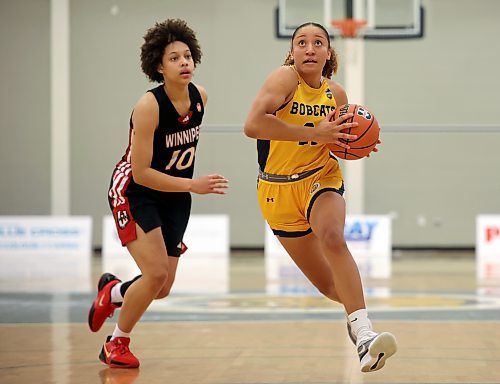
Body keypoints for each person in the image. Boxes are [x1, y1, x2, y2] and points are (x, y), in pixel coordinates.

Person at [244, 22, 397, 373]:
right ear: (293, 52)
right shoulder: (284, 80)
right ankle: (355, 319)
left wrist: (357, 144)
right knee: (329, 285)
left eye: (318, 43)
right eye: (302, 43)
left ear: (329, 53)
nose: (309, 48)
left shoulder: (337, 95)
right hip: (276, 190)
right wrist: (316, 131)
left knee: (333, 237)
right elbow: (252, 125)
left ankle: (364, 336)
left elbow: (335, 142)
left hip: (319, 178)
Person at [88, 19, 228, 368]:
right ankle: (116, 343)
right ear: (158, 66)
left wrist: (186, 187)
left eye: (187, 56)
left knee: (162, 287)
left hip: (175, 194)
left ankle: (113, 292)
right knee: (154, 275)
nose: (184, 63)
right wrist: (193, 185)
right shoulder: (148, 106)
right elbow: (141, 172)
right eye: (174, 58)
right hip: (136, 191)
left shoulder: (201, 97)